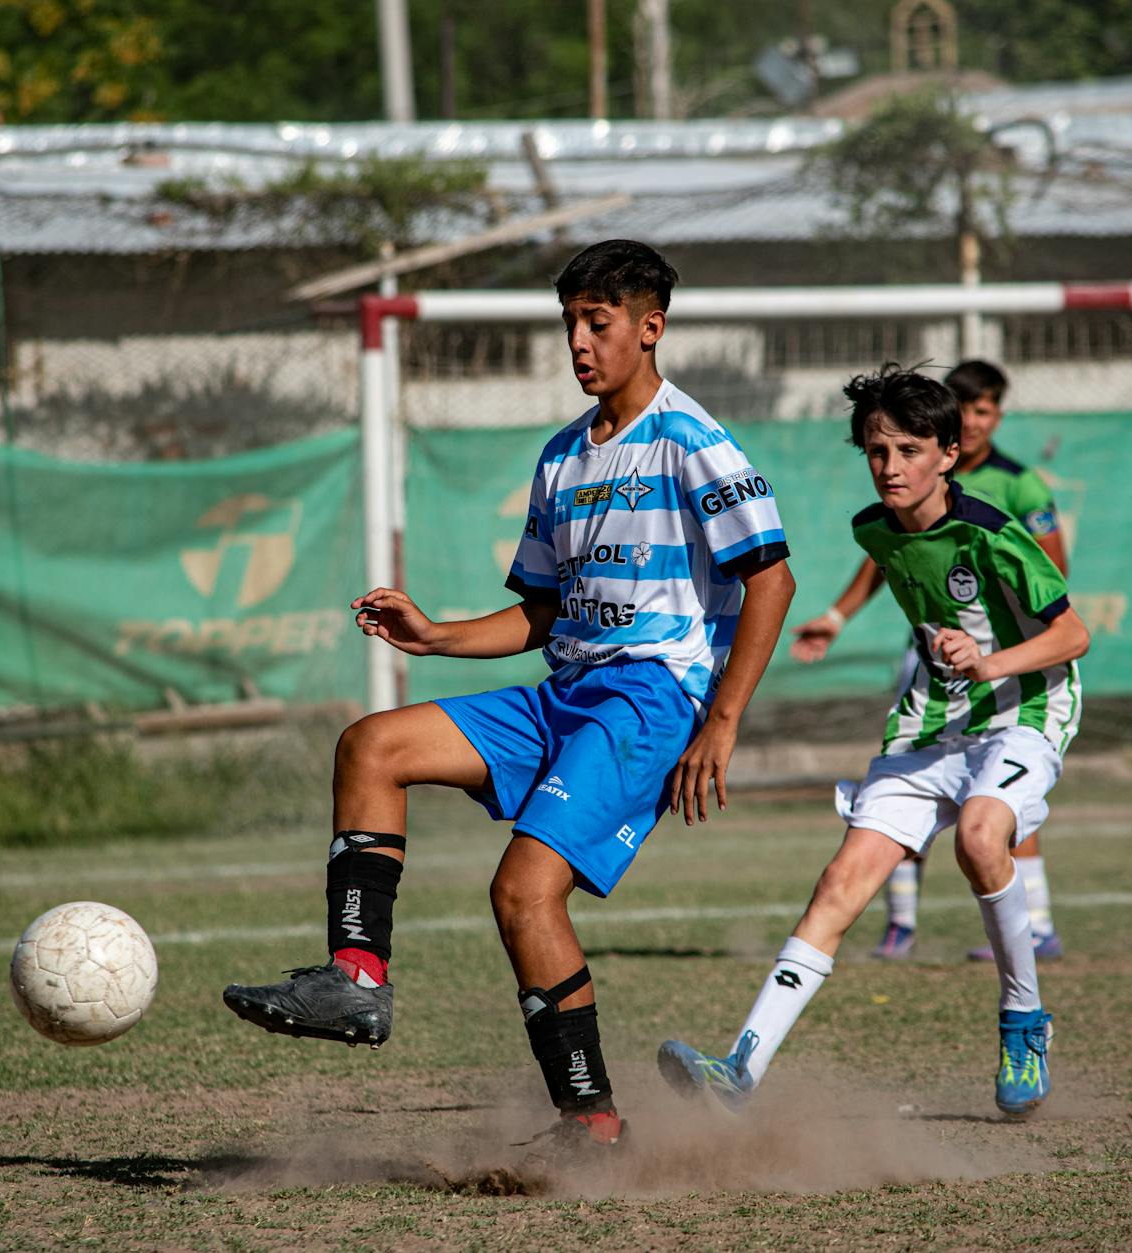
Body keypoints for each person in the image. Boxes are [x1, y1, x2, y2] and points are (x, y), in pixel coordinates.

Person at [223, 239, 795, 1156]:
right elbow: (542, 610)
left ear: (650, 328)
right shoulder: (563, 456)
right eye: (569, 323)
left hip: (648, 700)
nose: (578, 343)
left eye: (597, 323)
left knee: (523, 891)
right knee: (372, 745)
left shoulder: (695, 442)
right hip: (566, 689)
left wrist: (720, 721)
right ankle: (357, 979)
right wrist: (435, 635)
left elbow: (772, 578)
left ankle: (591, 1123)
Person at [657, 365, 1087, 1119]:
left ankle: (1024, 1021)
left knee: (981, 836)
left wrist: (987, 660)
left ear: (948, 454)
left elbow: (1073, 635)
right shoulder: (874, 527)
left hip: (1024, 709)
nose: (890, 466)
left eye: (909, 451)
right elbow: (892, 565)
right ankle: (740, 1070)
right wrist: (836, 617)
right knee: (840, 881)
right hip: (931, 719)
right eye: (878, 450)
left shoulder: (992, 532)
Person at [789, 360, 1070, 963]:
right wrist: (836, 616)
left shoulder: (1016, 487)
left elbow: (1051, 582)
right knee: (901, 785)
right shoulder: (901, 485)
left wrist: (996, 649)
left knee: (996, 806)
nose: (973, 422)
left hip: (1006, 666)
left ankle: (1036, 926)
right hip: (935, 662)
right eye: (964, 410)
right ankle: (900, 922)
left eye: (983, 411)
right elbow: (890, 555)